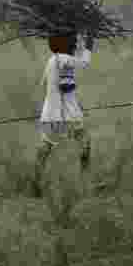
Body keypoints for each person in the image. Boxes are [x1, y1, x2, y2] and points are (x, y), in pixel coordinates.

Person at [33, 31, 94, 198]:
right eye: (73, 43)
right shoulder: (65, 59)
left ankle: (36, 184)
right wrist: (89, 45)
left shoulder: (51, 60)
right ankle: (85, 182)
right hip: (68, 115)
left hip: (49, 115)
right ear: (65, 45)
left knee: (45, 149)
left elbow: (44, 84)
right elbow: (84, 63)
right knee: (85, 143)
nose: (75, 46)